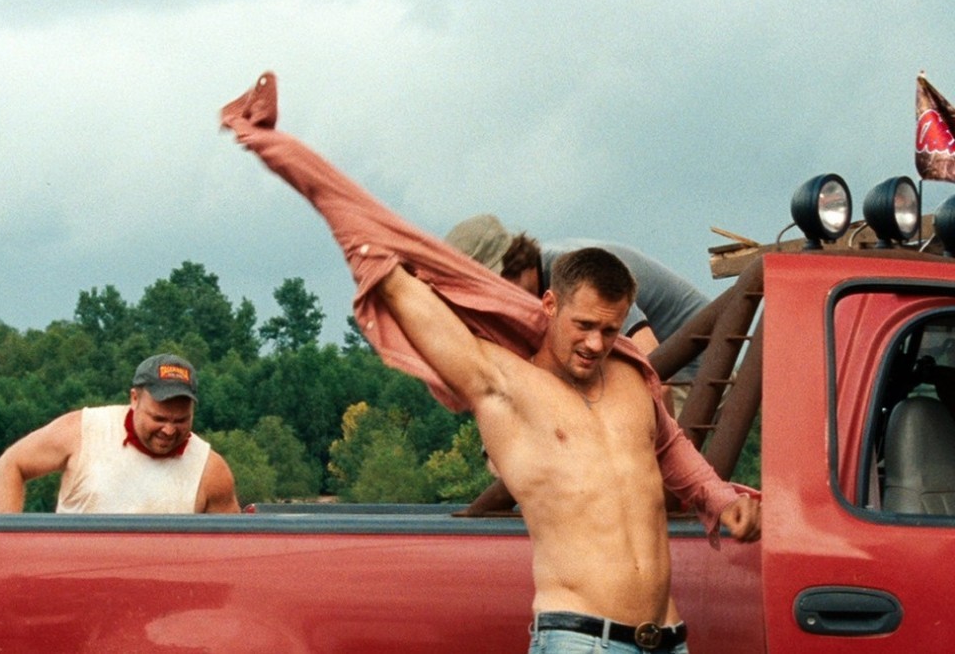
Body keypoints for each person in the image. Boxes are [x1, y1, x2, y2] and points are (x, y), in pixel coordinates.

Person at [221, 71, 760, 653]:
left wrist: (719, 500)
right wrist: (289, 159)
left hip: (668, 639)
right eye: (583, 327)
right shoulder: (501, 383)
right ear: (549, 305)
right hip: (584, 640)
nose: (596, 343)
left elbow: (671, 448)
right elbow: (393, 275)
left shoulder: (631, 374)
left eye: (609, 330)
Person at [445, 214, 711, 409]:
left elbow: (654, 367)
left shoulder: (579, 278)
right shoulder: (544, 281)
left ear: (510, 268)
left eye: (490, 289)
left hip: (698, 366)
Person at [0, 353, 240, 514]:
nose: (169, 430)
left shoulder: (210, 471)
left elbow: (233, 555)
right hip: (75, 578)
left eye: (181, 421)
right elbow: (10, 465)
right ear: (134, 399)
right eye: (159, 418)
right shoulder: (83, 431)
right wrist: (8, 546)